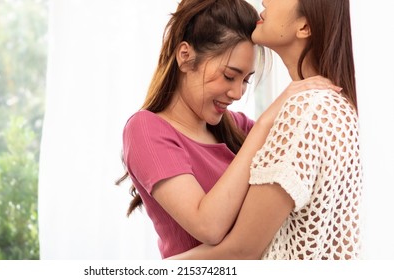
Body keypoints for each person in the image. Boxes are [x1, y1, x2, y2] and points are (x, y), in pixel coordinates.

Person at [118, 0, 339, 259]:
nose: (237, 93)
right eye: (229, 76)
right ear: (185, 57)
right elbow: (208, 227)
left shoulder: (237, 126)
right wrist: (268, 120)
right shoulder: (146, 129)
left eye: (246, 80)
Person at [168, 0, 362, 260]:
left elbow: (242, 250)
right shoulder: (334, 106)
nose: (264, 1)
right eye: (230, 76)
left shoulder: (304, 112)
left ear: (304, 26)